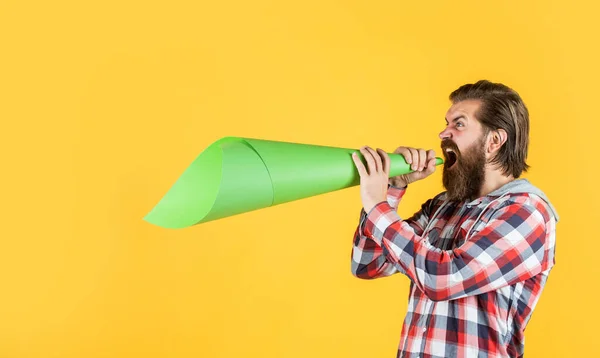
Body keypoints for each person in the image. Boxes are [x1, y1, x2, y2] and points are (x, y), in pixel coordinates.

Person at [350, 80, 559, 358]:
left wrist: (376, 205)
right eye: (446, 123)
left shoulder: (528, 212)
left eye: (458, 125)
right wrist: (394, 189)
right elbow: (367, 264)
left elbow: (443, 278)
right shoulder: (443, 206)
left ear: (494, 141)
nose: (443, 133)